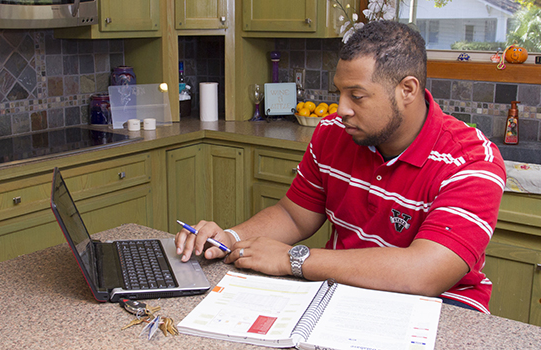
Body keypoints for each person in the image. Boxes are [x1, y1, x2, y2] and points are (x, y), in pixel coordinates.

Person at [175, 20, 506, 313]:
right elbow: (294, 215)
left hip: (443, 309)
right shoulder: (333, 132)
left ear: (407, 90)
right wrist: (233, 238)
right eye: (339, 93)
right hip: (341, 293)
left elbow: (424, 273)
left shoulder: (472, 161)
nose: (341, 108)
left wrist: (293, 259)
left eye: (357, 96)